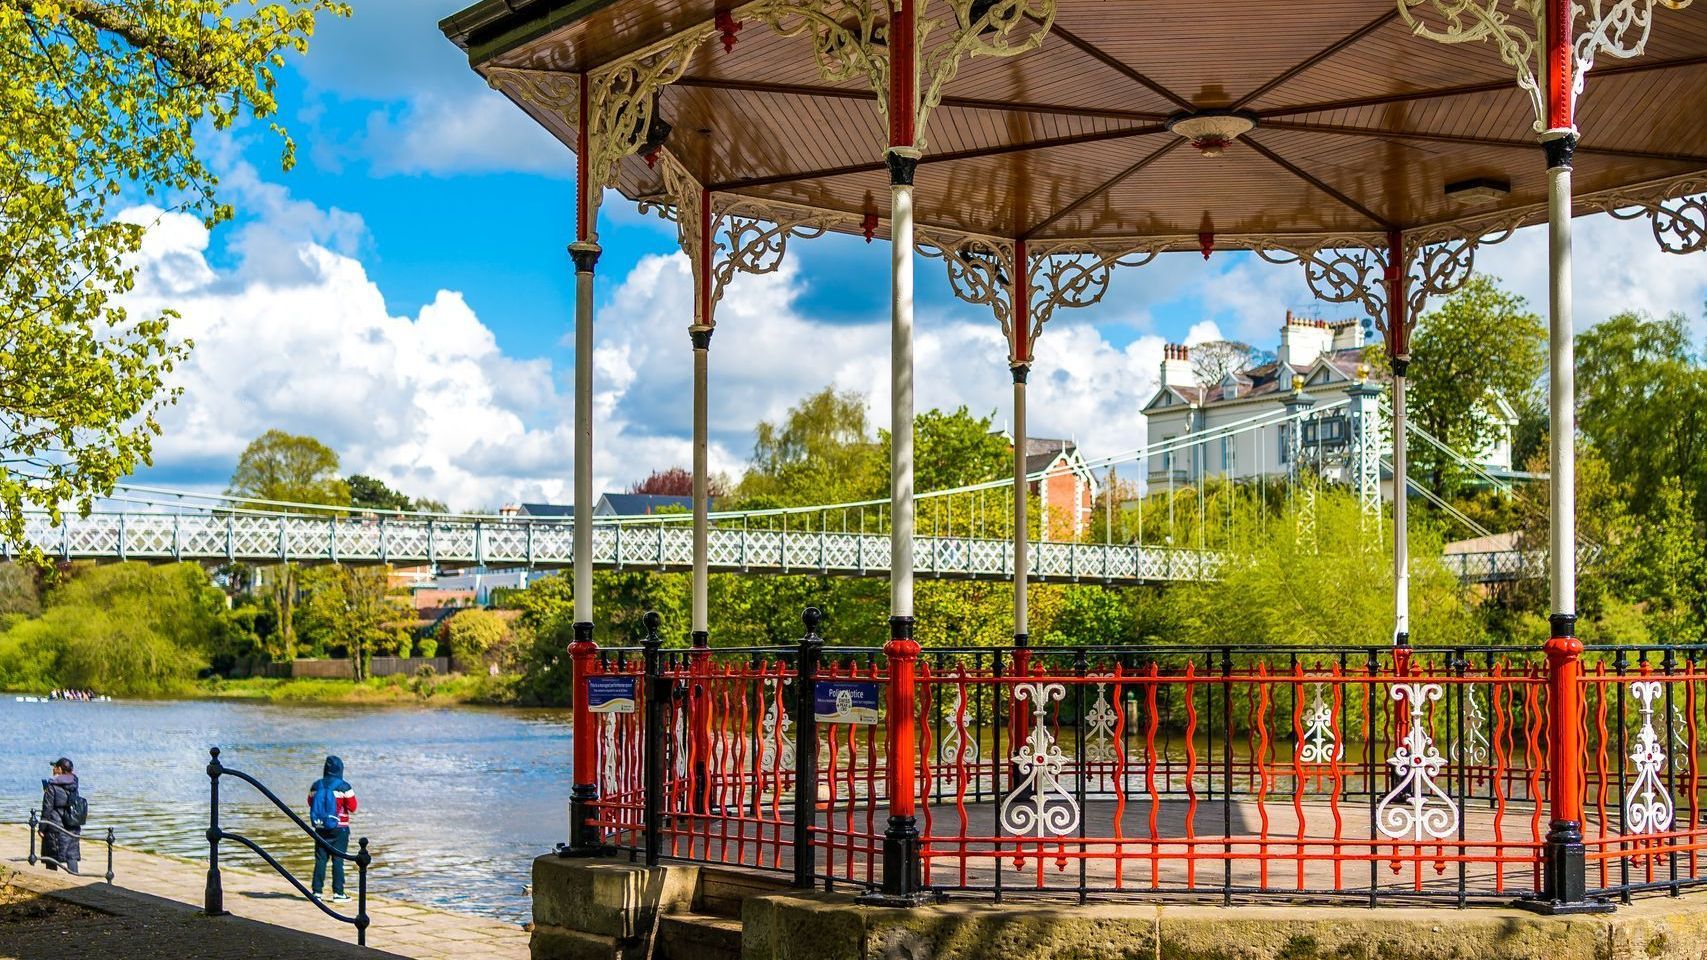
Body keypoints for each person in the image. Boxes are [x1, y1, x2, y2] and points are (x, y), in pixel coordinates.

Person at [307, 755, 357, 903]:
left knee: (320, 859)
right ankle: (338, 893)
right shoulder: (344, 786)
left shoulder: (316, 785)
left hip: (320, 827)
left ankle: (316, 892)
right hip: (339, 828)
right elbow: (353, 807)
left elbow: (310, 802)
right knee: (338, 860)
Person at [39, 757, 82, 874]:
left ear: (59, 769)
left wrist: (41, 828)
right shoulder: (74, 784)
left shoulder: (52, 786)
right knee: (71, 856)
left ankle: (52, 882)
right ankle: (75, 882)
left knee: (51, 857)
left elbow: (47, 809)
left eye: (54, 767)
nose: (53, 769)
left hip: (55, 827)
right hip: (72, 826)